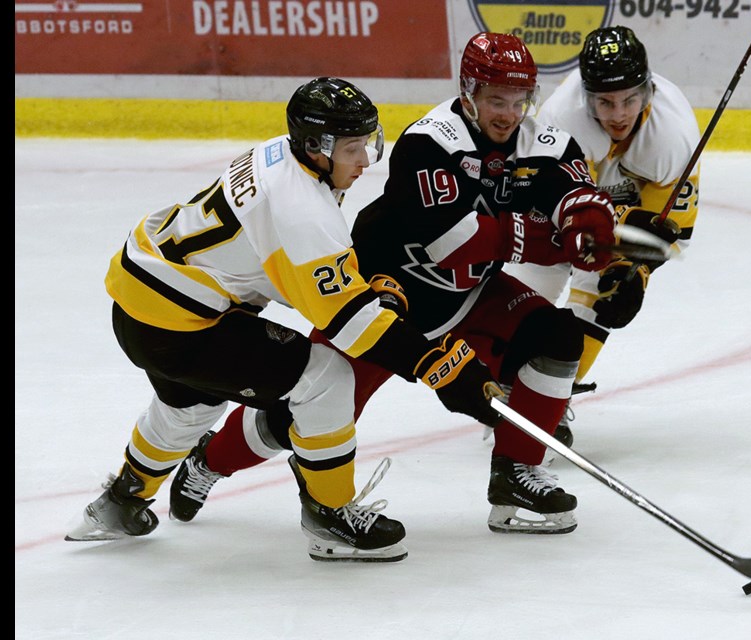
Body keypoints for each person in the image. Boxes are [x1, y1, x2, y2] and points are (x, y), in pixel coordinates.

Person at [172, 32, 618, 537]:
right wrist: (558, 242)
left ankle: (515, 473)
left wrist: (589, 220)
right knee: (302, 412)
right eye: (496, 100)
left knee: (558, 338)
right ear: (468, 91)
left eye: (519, 101)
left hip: (469, 296)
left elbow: (577, 192)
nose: (508, 113)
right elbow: (458, 241)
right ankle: (210, 460)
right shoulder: (429, 141)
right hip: (385, 301)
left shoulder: (544, 140)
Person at [65, 77, 502, 564]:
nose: (365, 161)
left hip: (142, 302)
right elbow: (348, 324)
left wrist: (357, 283)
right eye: (354, 149)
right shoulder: (300, 208)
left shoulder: (283, 154)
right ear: (318, 146)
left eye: (368, 144)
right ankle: (330, 513)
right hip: (181, 324)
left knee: (189, 407)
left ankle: (121, 500)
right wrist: (436, 365)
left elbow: (276, 263)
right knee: (326, 378)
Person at [502, 26, 701, 446]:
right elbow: (552, 211)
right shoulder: (560, 121)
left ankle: (548, 399)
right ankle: (506, 381)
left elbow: (670, 230)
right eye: (606, 102)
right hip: (565, 203)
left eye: (630, 98)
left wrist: (636, 272)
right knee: (527, 286)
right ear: (587, 96)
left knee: (602, 292)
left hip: (624, 198)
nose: (618, 114)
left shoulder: (673, 135)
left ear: (648, 90)